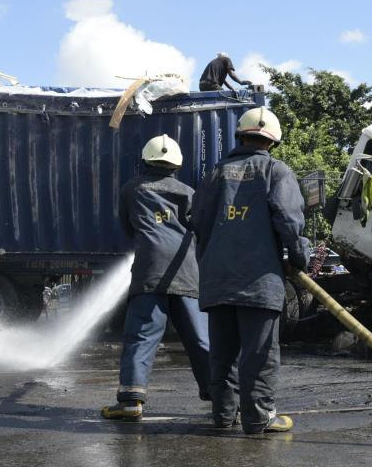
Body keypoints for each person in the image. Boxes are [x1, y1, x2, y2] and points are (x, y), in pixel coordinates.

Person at [192, 107, 309, 434]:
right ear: (272, 140)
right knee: (259, 354)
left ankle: (223, 415)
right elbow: (289, 221)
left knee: (223, 353)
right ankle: (258, 417)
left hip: (218, 280)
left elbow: (197, 221)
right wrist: (299, 258)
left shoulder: (215, 173)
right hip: (259, 281)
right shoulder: (276, 171)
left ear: (240, 136)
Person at [101, 134, 211, 421]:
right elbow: (201, 228)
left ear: (145, 160)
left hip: (149, 269)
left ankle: (130, 402)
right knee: (200, 339)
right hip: (186, 271)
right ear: (177, 164)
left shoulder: (132, 189)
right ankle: (223, 400)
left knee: (142, 336)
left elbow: (128, 227)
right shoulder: (188, 192)